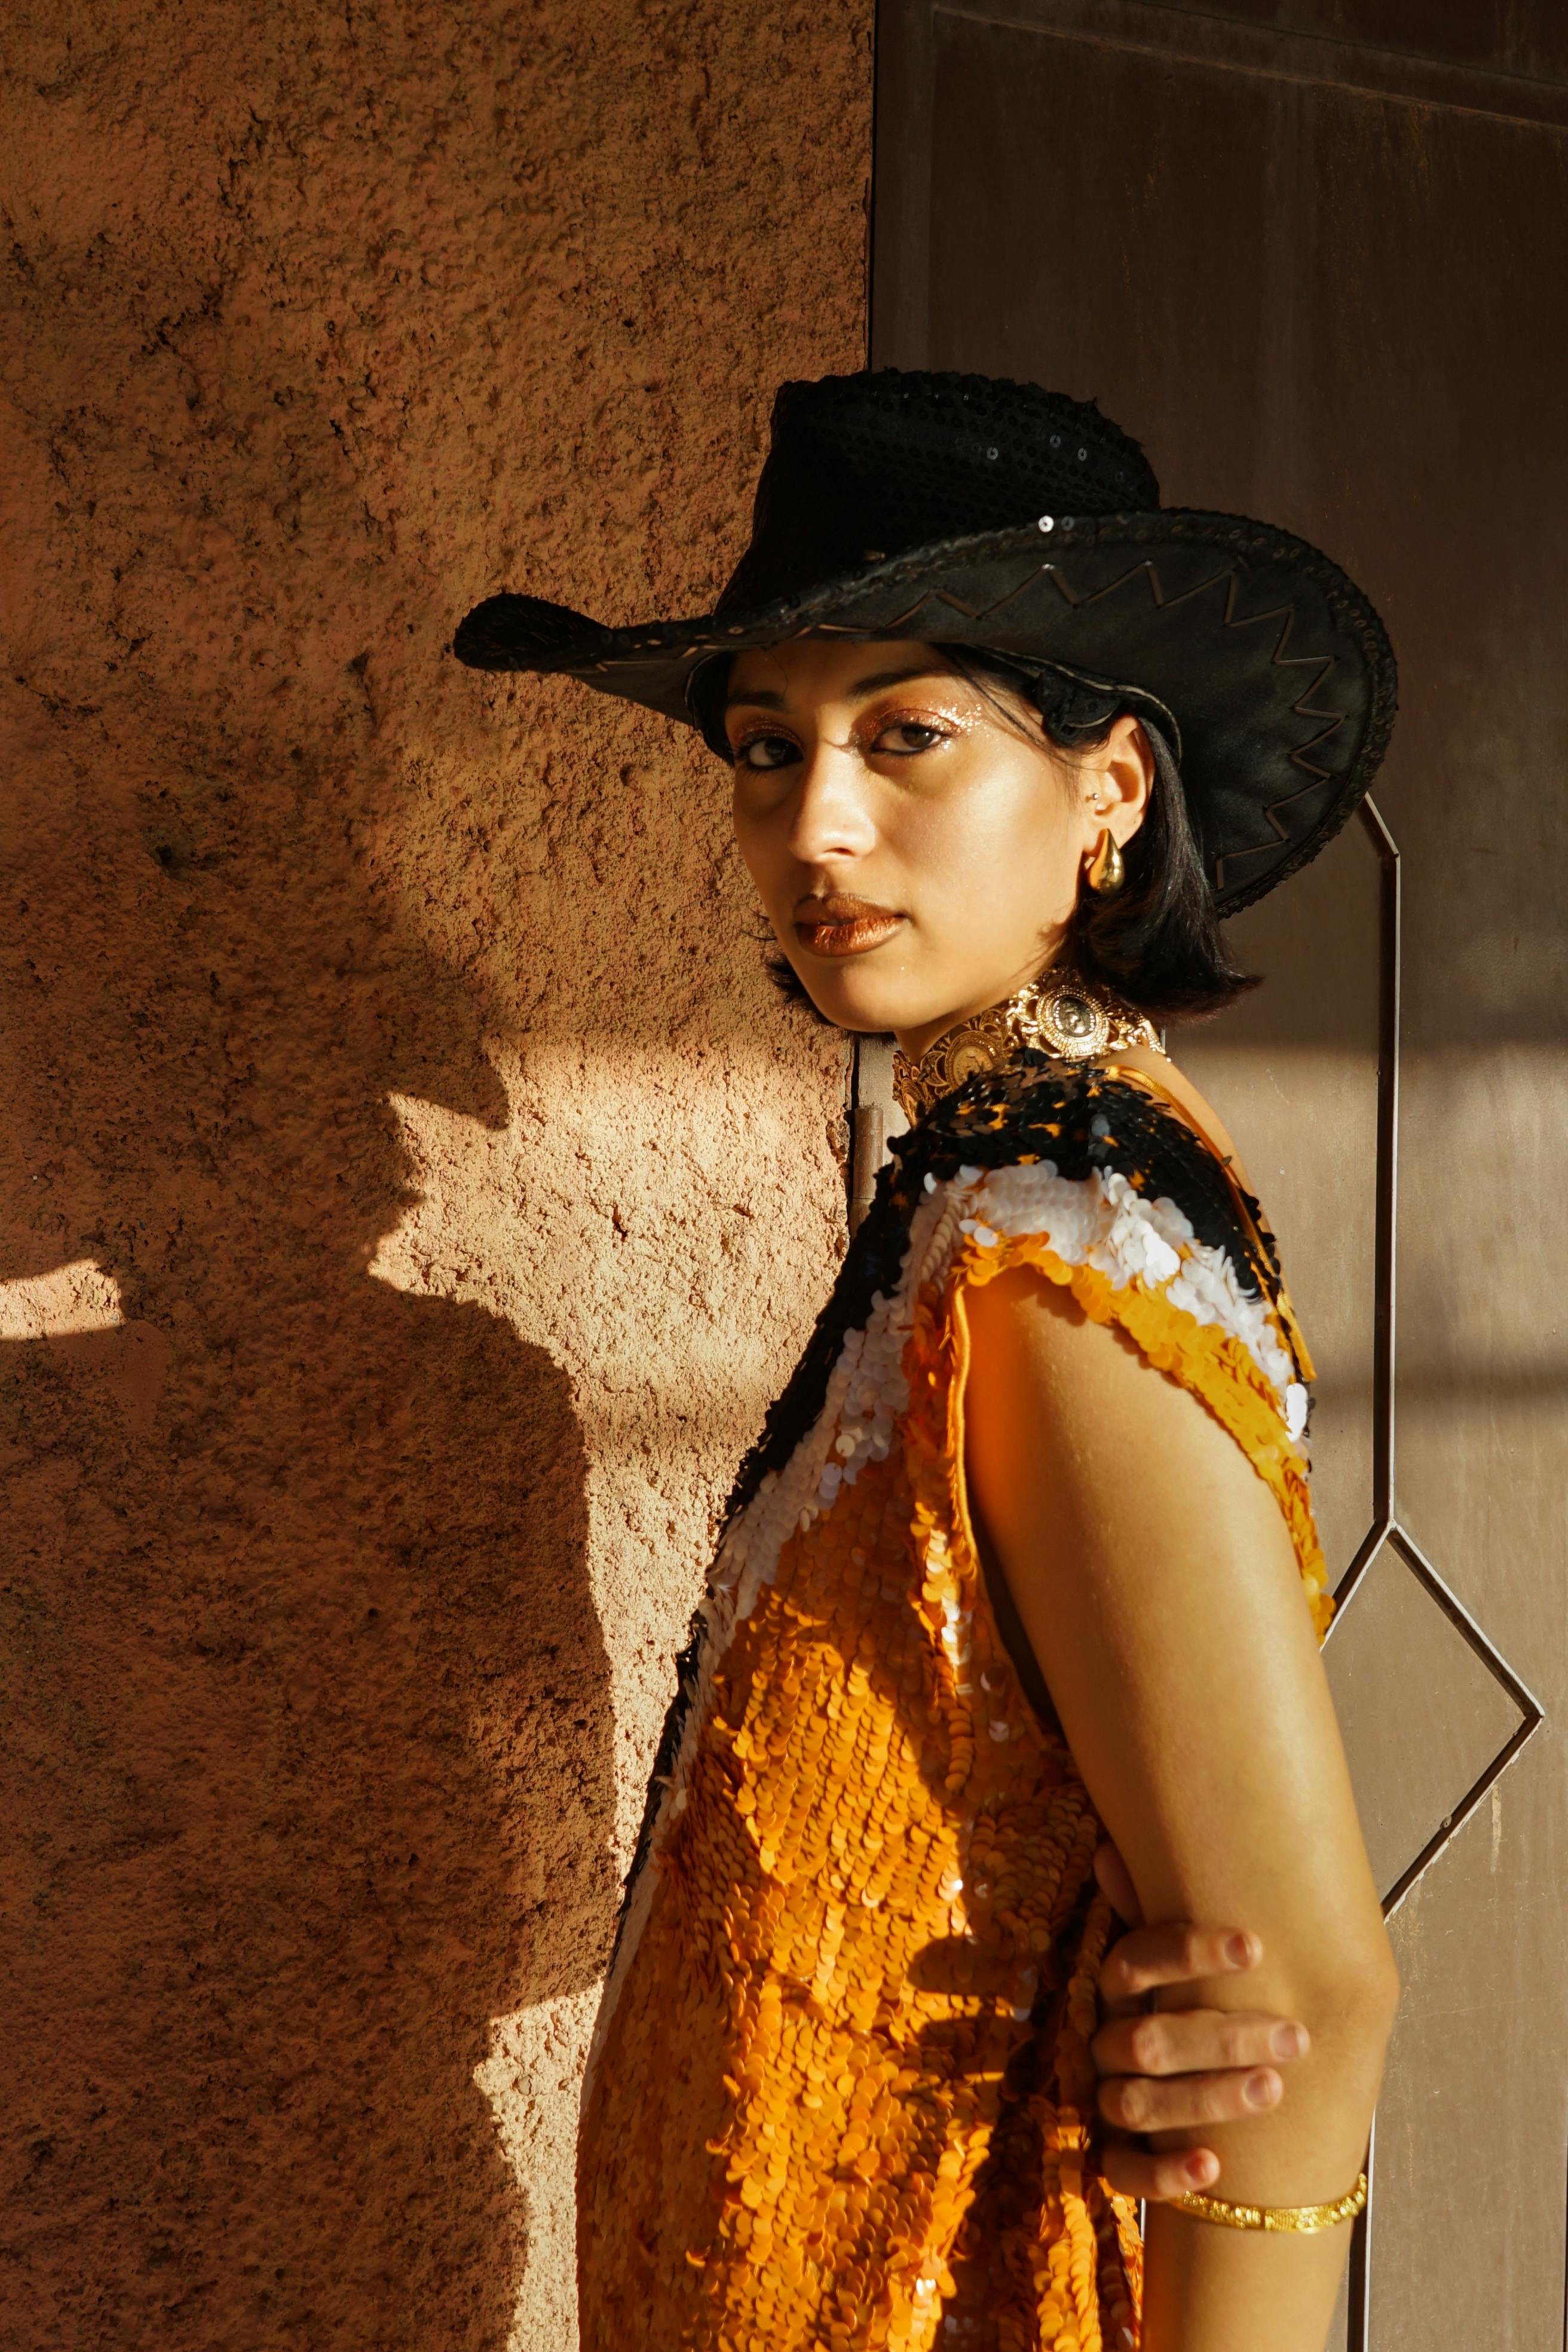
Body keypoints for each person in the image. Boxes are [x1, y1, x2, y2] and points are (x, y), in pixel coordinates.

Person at [457, 370, 1400, 2352]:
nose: (816, 823)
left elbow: (1292, 1992)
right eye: (765, 746)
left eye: (909, 736)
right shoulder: (993, 1186)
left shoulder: (1054, 1232)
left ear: (1111, 792)